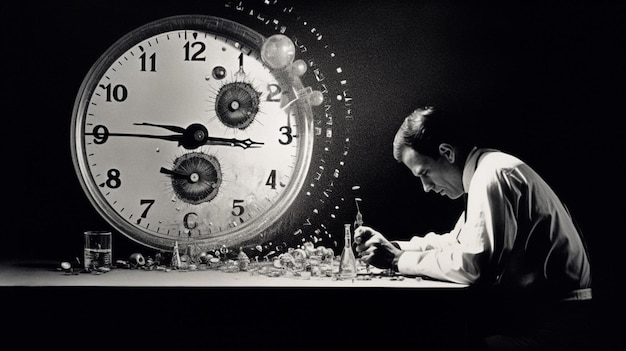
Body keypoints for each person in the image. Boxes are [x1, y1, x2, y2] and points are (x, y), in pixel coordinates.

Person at [354, 106, 594, 350]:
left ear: (446, 152)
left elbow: (475, 265)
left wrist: (399, 260)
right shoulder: (487, 169)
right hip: (547, 318)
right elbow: (456, 242)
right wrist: (394, 247)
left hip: (555, 329)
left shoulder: (492, 176)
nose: (426, 187)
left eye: (424, 173)